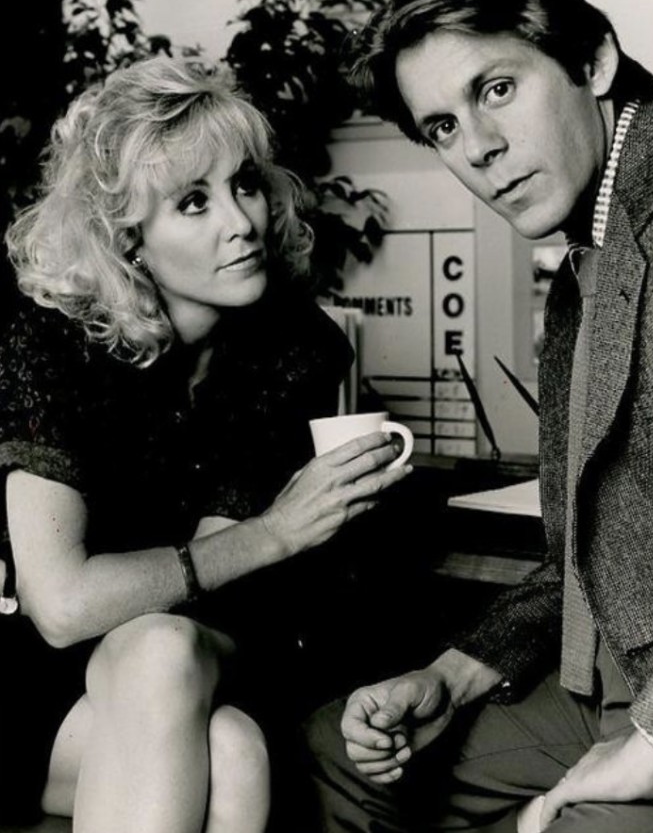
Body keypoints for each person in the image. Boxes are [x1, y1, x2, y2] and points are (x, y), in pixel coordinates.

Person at [305, 0, 653, 832]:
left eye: (497, 89)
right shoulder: (587, 256)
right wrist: (452, 675)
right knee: (337, 754)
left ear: (593, 60)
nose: (478, 149)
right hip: (618, 680)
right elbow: (589, 551)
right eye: (442, 126)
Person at [0, 56, 413, 832]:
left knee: (169, 657)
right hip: (45, 691)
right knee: (230, 750)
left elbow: (219, 592)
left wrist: (258, 543)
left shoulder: (294, 346)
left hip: (210, 655)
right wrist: (277, 532)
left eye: (245, 184)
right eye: (194, 201)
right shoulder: (51, 342)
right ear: (127, 238)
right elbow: (60, 607)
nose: (242, 221)